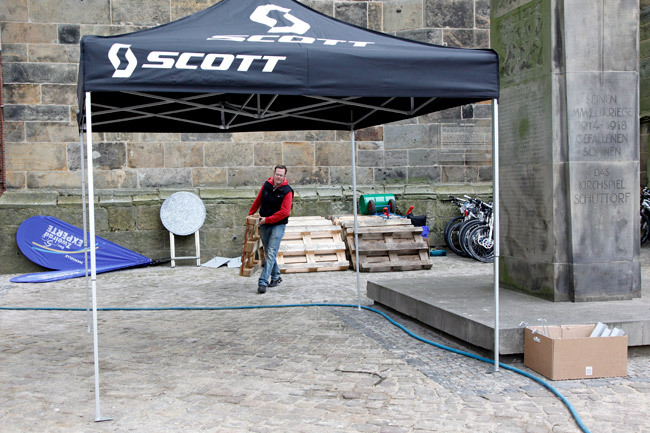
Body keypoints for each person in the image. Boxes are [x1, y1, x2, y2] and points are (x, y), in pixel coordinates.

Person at [248, 165, 293, 294]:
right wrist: (250, 215)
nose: (278, 177)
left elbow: (284, 212)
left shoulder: (287, 191)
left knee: (271, 252)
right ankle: (276, 276)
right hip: (264, 223)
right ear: (274, 173)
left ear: (284, 176)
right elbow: (258, 201)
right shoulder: (266, 185)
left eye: (281, 175)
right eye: (277, 174)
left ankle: (263, 282)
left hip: (278, 225)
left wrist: (267, 220)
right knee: (269, 253)